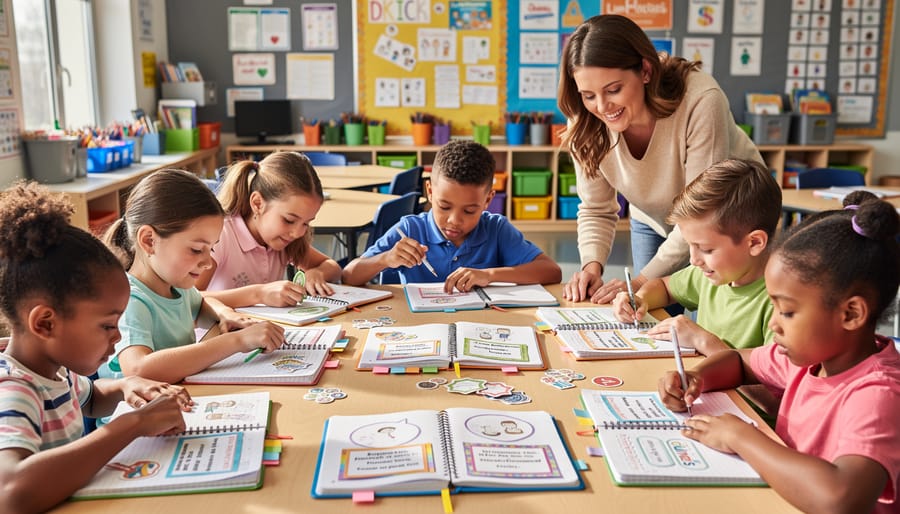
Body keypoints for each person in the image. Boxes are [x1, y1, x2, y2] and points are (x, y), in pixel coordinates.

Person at [658, 191, 900, 514]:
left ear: (851, 314)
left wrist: (742, 437)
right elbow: (738, 362)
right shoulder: (809, 360)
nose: (773, 323)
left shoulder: (878, 393)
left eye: (786, 311)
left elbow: (841, 498)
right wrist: (695, 377)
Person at [0, 182, 193, 513]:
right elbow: (11, 491)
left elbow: (91, 398)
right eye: (107, 325)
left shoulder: (55, 370)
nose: (118, 338)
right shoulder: (15, 389)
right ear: (45, 323)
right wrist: (132, 424)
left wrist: (125, 385)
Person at [558, 14, 764, 304]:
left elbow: (702, 212)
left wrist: (640, 284)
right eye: (588, 95)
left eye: (614, 89)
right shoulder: (584, 120)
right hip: (654, 216)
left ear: (645, 70)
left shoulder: (701, 99)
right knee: (649, 315)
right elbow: (596, 208)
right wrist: (591, 266)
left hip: (727, 225)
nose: (602, 107)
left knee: (708, 322)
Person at [101, 169, 285, 384]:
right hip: (138, 414)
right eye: (197, 250)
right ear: (149, 240)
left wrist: (226, 314)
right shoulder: (129, 300)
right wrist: (236, 341)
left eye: (211, 249)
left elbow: (203, 303)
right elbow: (139, 369)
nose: (207, 263)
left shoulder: (177, 286)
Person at [342, 140, 561, 292]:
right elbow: (349, 276)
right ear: (430, 191)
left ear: (488, 200)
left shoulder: (496, 229)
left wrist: (490, 275)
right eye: (444, 206)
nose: (454, 220)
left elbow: (551, 271)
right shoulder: (409, 230)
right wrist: (385, 258)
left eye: (469, 210)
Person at [612, 159, 781, 355]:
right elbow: (665, 288)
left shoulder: (780, 301)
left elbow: (773, 373)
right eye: (690, 245)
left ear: (754, 243)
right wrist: (640, 300)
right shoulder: (711, 275)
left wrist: (703, 340)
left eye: (707, 249)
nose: (694, 260)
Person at [197, 152, 341, 305]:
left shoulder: (285, 239)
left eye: (306, 223)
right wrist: (259, 294)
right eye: (289, 220)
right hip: (218, 328)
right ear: (258, 203)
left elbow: (333, 267)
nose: (298, 233)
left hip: (261, 326)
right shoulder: (222, 235)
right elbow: (190, 300)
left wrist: (316, 273)